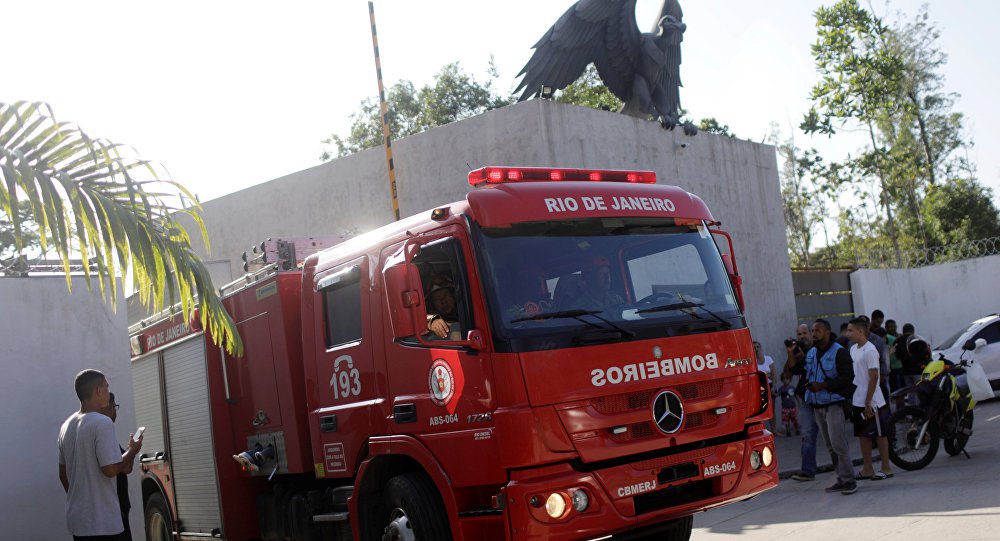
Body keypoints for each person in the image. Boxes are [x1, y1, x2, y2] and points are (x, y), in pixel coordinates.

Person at [58, 369, 142, 541]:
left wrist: (80, 499)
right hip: (103, 523)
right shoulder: (102, 423)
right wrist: (133, 450)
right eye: (106, 386)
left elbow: (62, 473)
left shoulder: (66, 426)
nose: (108, 391)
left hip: (78, 521)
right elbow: (110, 469)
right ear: (98, 390)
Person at [802, 319, 857, 495]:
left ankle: (850, 481)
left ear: (827, 332)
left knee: (838, 443)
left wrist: (824, 385)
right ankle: (841, 478)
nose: (813, 333)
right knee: (829, 445)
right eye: (812, 330)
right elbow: (804, 372)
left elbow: (847, 378)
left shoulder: (839, 352)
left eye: (817, 330)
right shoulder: (811, 352)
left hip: (834, 404)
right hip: (816, 404)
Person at [846, 317, 894, 481]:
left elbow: (874, 377)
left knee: (880, 434)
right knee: (863, 434)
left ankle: (886, 468)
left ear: (860, 331)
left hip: (873, 401)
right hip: (857, 400)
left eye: (851, 330)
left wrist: (868, 402)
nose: (848, 333)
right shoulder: (853, 349)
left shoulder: (870, 350)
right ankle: (867, 469)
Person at [99, 393, 132, 541]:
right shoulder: (104, 430)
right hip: (115, 509)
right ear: (108, 408)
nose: (115, 411)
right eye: (114, 406)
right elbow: (123, 468)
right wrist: (133, 449)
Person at [426, 275, 460, 340]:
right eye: (437, 299)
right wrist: (430, 320)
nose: (443, 301)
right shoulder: (434, 324)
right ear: (432, 304)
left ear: (454, 296)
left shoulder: (468, 313)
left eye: (446, 295)